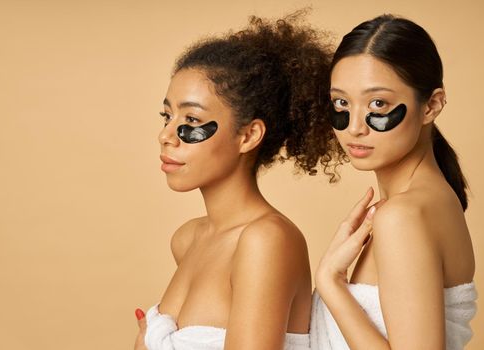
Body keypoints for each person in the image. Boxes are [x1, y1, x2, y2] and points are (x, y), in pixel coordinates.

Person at [134, 12, 338, 350]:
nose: (166, 135)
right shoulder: (187, 240)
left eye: (192, 120)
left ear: (248, 135)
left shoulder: (267, 240)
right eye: (167, 116)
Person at [311, 14, 477, 350]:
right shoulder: (427, 202)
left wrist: (331, 285)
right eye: (342, 102)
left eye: (378, 104)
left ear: (431, 105)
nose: (354, 126)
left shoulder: (403, 216)